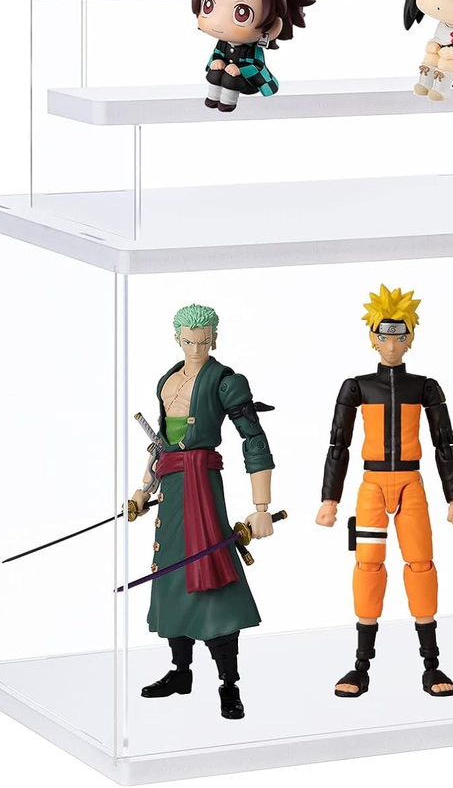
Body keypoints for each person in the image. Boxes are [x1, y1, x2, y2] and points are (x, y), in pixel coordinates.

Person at [316, 285, 453, 698]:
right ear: (372, 337)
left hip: (410, 485)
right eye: (384, 336)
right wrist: (329, 499)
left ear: (411, 338)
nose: (391, 344)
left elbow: (444, 444)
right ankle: (360, 666)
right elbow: (339, 444)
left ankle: (432, 665)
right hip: (371, 486)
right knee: (368, 566)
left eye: (399, 336)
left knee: (421, 565)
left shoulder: (425, 387)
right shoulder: (357, 387)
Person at [130, 304, 276, 719]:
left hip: (202, 487)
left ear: (215, 338)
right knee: (171, 574)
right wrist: (143, 490)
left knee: (211, 574)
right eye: (189, 341)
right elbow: (161, 443)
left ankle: (229, 684)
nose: (196, 348)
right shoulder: (167, 380)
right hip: (172, 485)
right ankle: (181, 672)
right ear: (177, 339)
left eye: (204, 341)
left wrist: (261, 507)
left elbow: (254, 439)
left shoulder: (226, 381)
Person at [190, 0, 318, 112]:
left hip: (247, 81)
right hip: (224, 74)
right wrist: (216, 61)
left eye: (242, 13)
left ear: (273, 27)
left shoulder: (252, 49)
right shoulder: (223, 43)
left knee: (230, 78)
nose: (218, 22)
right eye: (208, 4)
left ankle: (227, 102)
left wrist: (240, 70)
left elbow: (258, 66)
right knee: (214, 73)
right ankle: (213, 97)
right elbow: (217, 54)